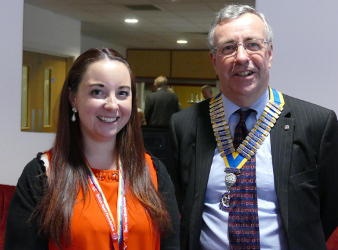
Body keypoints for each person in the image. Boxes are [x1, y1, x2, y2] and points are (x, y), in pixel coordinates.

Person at [170, 4, 338, 250]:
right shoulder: (185, 125)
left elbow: (329, 208)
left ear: (269, 54)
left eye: (253, 45)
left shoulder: (316, 124)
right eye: (228, 47)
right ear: (214, 60)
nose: (241, 57)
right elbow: (179, 207)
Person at [5, 48, 180, 250]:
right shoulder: (42, 174)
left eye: (122, 93)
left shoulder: (153, 171)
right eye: (98, 92)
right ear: (73, 98)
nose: (112, 104)